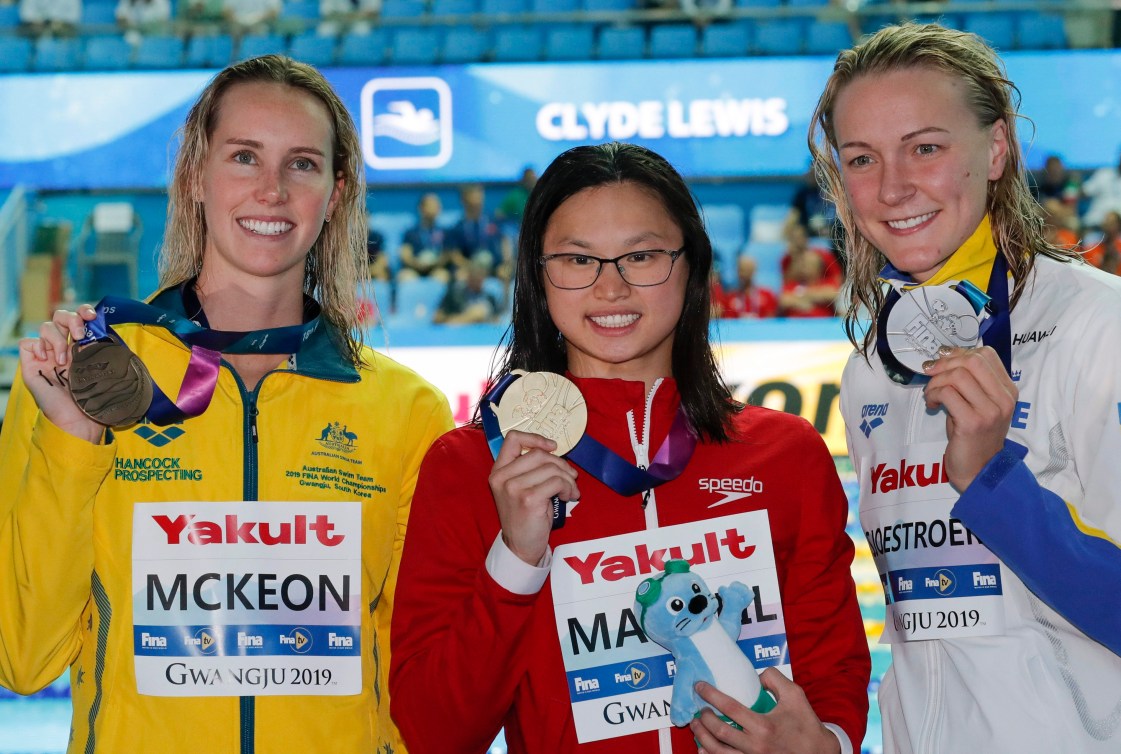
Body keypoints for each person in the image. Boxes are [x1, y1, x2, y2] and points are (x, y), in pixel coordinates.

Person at [0, 55, 452, 753]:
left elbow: (415, 682)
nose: (271, 190)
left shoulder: (406, 411)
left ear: (333, 194)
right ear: (194, 178)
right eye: (244, 157)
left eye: (301, 164)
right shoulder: (83, 376)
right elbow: (24, 660)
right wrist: (74, 444)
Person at [390, 142, 869, 753]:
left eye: (641, 256)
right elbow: (436, 733)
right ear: (538, 276)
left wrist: (822, 744)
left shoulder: (785, 455)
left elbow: (835, 681)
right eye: (576, 259)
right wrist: (515, 559)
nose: (610, 288)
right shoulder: (473, 468)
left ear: (691, 264)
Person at [809, 22, 1121, 753]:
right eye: (861, 158)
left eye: (925, 147)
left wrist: (991, 480)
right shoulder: (868, 372)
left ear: (996, 148)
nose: (891, 188)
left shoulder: (1097, 327)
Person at [445, 182, 511, 280]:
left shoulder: (494, 221)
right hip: (470, 268)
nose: (476, 203)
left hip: (494, 267)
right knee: (460, 275)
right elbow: (455, 256)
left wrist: (506, 263)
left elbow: (505, 243)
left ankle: (506, 295)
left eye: (479, 199)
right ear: (463, 201)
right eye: (472, 201)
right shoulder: (457, 228)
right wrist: (473, 267)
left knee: (505, 273)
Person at [397, 191, 452, 282]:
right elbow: (405, 255)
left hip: (436, 268)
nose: (434, 209)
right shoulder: (410, 233)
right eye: (430, 205)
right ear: (421, 208)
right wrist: (417, 264)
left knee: (443, 275)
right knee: (404, 276)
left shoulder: (445, 232)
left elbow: (447, 255)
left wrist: (434, 263)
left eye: (436, 206)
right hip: (415, 268)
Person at [432, 256, 501, 325]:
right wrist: (468, 317)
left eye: (480, 275)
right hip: (458, 333)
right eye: (474, 274)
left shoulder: (490, 298)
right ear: (468, 276)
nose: (477, 278)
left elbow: (496, 321)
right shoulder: (454, 295)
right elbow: (437, 318)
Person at [718, 253, 778, 319]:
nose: (744, 273)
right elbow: (727, 322)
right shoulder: (729, 298)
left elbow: (771, 322)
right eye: (741, 269)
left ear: (754, 270)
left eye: (748, 269)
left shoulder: (767, 295)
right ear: (737, 271)